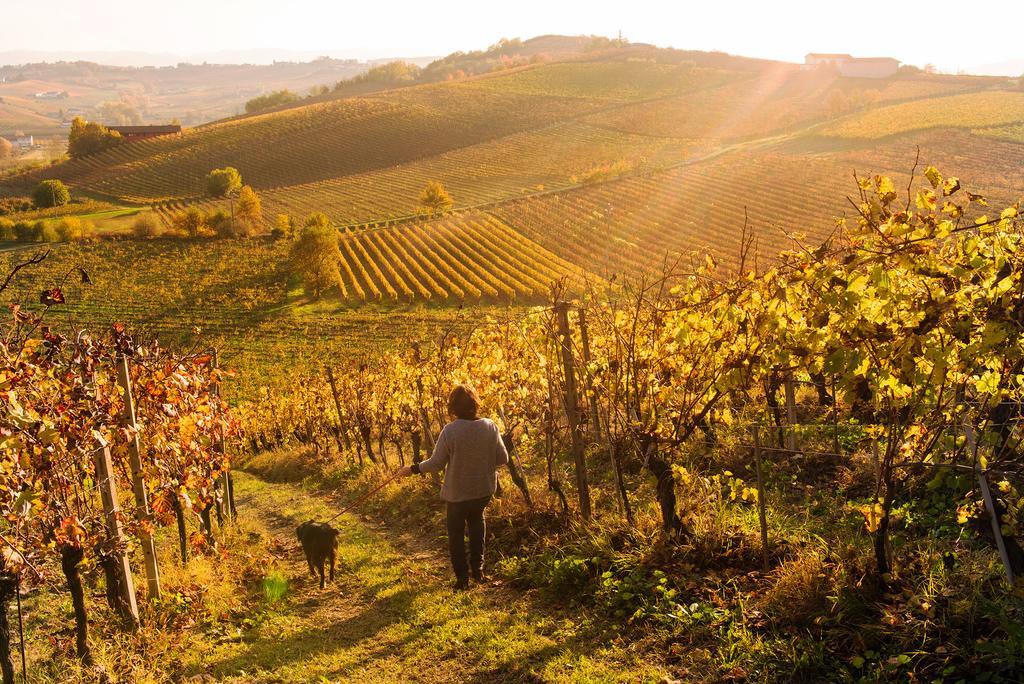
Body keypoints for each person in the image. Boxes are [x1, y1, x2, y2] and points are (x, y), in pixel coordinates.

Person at [397, 384, 508, 590]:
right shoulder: (490, 426)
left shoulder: (451, 431)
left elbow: (436, 464)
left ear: (453, 408)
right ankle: (478, 570)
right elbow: (503, 458)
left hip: (457, 494)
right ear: (475, 404)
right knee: (477, 524)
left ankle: (462, 579)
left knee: (456, 535)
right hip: (483, 490)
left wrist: (411, 469)